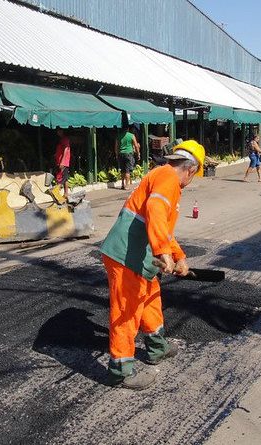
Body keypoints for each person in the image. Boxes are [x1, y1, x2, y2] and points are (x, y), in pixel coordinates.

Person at [99, 140, 205, 390]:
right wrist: (162, 251)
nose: (193, 180)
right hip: (125, 254)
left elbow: (163, 229)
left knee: (150, 298)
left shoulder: (164, 178)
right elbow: (155, 210)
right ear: (191, 169)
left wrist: (178, 256)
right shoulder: (168, 177)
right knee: (127, 311)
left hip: (138, 255)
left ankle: (157, 348)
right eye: (195, 175)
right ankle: (121, 371)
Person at [115, 125, 140, 190]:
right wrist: (138, 154)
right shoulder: (131, 135)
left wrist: (117, 154)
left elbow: (116, 146)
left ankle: (122, 184)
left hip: (121, 154)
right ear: (128, 129)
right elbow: (136, 145)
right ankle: (127, 185)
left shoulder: (119, 136)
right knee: (127, 170)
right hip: (129, 154)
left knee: (122, 170)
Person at [54, 128, 71, 199]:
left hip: (63, 162)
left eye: (59, 131)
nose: (58, 132)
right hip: (61, 161)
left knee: (61, 179)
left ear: (62, 131)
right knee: (65, 178)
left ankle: (56, 193)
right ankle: (66, 194)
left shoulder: (65, 139)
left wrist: (62, 162)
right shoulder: (61, 140)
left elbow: (66, 150)